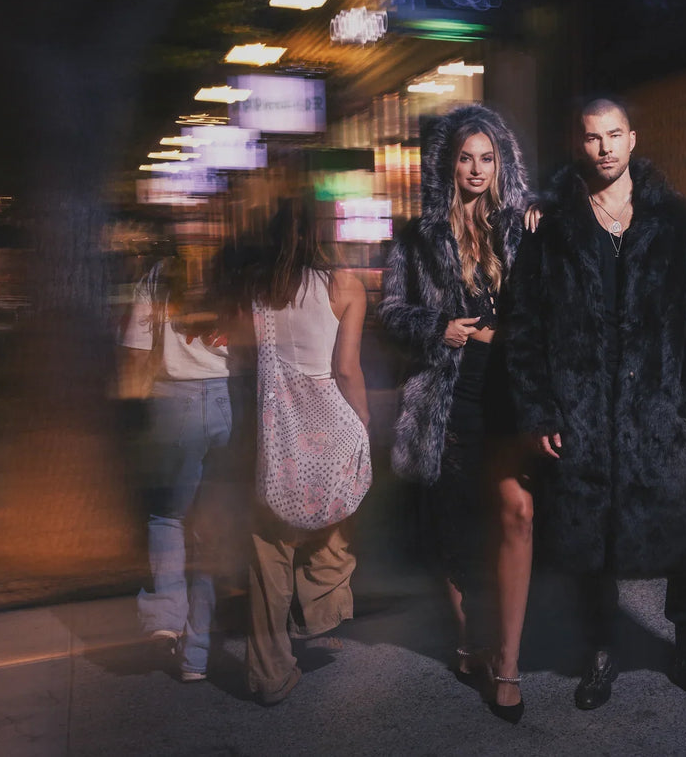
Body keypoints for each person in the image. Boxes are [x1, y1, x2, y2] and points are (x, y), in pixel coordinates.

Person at [507, 96, 686, 713]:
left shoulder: (680, 221)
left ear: (632, 139)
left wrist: (685, 396)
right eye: (591, 137)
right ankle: (600, 653)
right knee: (591, 548)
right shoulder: (550, 225)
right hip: (581, 421)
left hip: (660, 418)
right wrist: (542, 411)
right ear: (577, 144)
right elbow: (523, 327)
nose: (604, 148)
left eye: (614, 135)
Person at [378, 104, 533, 723]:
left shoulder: (521, 226)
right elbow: (391, 311)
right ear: (450, 164)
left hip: (512, 393)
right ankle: (470, 636)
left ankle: (510, 662)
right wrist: (439, 327)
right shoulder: (417, 236)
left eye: (487, 158)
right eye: (466, 158)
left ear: (501, 165)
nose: (476, 169)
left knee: (516, 513)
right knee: (455, 525)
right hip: (447, 396)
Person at [242, 198, 371, 706]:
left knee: (270, 549)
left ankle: (270, 672)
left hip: (276, 432)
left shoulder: (259, 289)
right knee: (337, 515)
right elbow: (346, 369)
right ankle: (319, 612)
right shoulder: (345, 286)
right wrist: (363, 421)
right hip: (329, 423)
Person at [120, 253, 245, 683]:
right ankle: (196, 656)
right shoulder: (232, 270)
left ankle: (165, 618)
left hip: (173, 402)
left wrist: (136, 412)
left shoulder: (155, 276)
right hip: (227, 402)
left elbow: (135, 355)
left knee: (166, 515)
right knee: (209, 529)